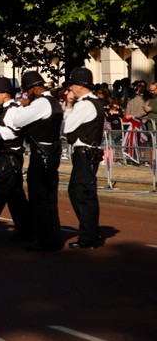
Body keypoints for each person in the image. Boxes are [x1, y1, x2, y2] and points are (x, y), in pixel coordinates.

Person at [3, 70, 64, 252]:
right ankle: (51, 236)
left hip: (41, 154)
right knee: (49, 198)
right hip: (51, 152)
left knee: (39, 198)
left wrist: (23, 107)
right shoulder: (53, 101)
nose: (26, 94)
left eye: (27, 91)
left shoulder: (41, 103)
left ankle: (46, 239)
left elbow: (17, 120)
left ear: (35, 89)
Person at [0, 77, 32, 241]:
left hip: (8, 158)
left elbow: (10, 134)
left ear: (5, 94)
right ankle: (27, 231)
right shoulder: (4, 109)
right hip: (7, 157)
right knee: (16, 198)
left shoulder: (13, 110)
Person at [63, 67, 106, 249]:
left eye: (72, 85)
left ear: (80, 86)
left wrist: (69, 106)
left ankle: (88, 235)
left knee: (82, 194)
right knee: (78, 191)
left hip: (84, 153)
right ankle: (91, 230)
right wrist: (70, 105)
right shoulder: (91, 102)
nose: (69, 89)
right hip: (87, 153)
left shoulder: (85, 104)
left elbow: (66, 127)